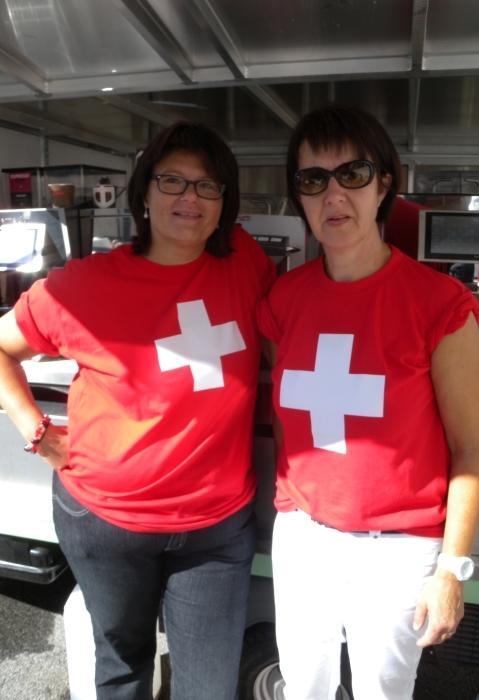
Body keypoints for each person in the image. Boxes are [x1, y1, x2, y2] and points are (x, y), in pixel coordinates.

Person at [0, 121, 275, 700]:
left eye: (207, 186)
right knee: (123, 668)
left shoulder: (245, 262)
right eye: (172, 180)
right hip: (106, 522)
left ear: (224, 204)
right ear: (144, 191)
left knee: (209, 688)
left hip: (215, 526)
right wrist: (37, 429)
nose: (190, 198)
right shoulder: (82, 287)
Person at [257, 104, 479, 700]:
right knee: (302, 688)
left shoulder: (440, 306)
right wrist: (291, 506)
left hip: (398, 551)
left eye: (353, 174)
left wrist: (451, 570)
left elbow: (469, 452)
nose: (333, 194)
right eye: (314, 179)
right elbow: (288, 420)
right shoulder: (284, 299)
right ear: (300, 197)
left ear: (384, 184)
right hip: (304, 538)